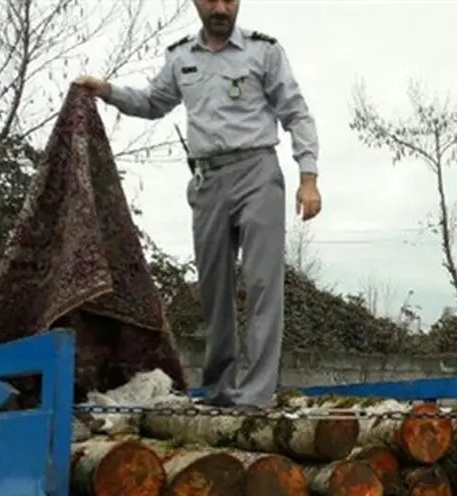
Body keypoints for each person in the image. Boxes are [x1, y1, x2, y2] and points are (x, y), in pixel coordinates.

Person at [74, 0, 321, 408]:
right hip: (207, 181)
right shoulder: (180, 58)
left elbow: (296, 113)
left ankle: (256, 395)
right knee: (213, 288)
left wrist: (308, 177)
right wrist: (107, 92)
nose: (221, 7)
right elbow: (152, 102)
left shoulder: (265, 51)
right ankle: (221, 391)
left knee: (262, 284)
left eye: (230, 0)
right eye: (212, 0)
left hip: (258, 172)